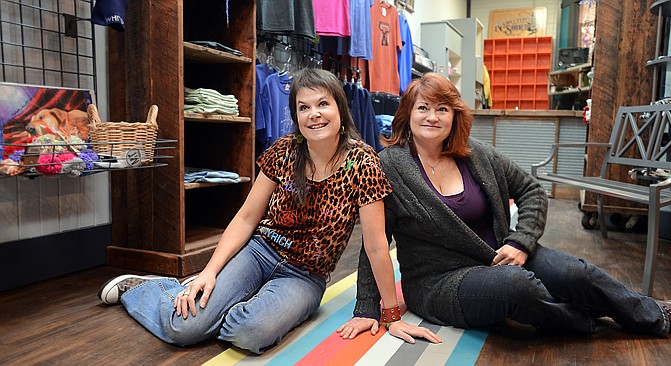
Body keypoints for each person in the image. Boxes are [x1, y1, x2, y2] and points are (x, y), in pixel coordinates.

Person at [341, 73, 671, 342]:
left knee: (577, 274)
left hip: (503, 253)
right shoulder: (389, 165)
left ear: (455, 116)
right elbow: (373, 242)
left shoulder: (478, 155)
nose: (432, 117)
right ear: (407, 114)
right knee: (517, 288)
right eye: (423, 108)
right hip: (441, 282)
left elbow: (532, 190)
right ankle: (590, 319)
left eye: (442, 108)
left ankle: (655, 315)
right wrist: (368, 308)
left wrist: (521, 241)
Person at [97, 68, 438, 354]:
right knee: (182, 329)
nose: (314, 114)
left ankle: (215, 310)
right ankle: (146, 289)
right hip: (259, 252)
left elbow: (377, 245)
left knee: (250, 334)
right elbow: (247, 217)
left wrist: (391, 314)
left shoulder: (363, 163)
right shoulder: (283, 151)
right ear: (296, 116)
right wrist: (210, 271)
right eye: (304, 107)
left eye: (323, 104)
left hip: (304, 275)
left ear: (341, 110)